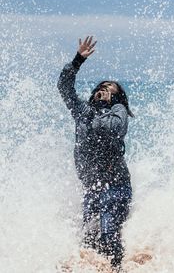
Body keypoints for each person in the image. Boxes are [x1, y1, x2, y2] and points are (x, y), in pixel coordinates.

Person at [57, 36, 133, 271]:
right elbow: (64, 86)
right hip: (91, 186)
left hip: (116, 184)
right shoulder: (82, 110)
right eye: (101, 87)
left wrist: (97, 111)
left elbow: (115, 129)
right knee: (89, 240)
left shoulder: (118, 112)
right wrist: (78, 60)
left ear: (117, 97)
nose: (103, 91)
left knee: (109, 233)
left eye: (109, 90)